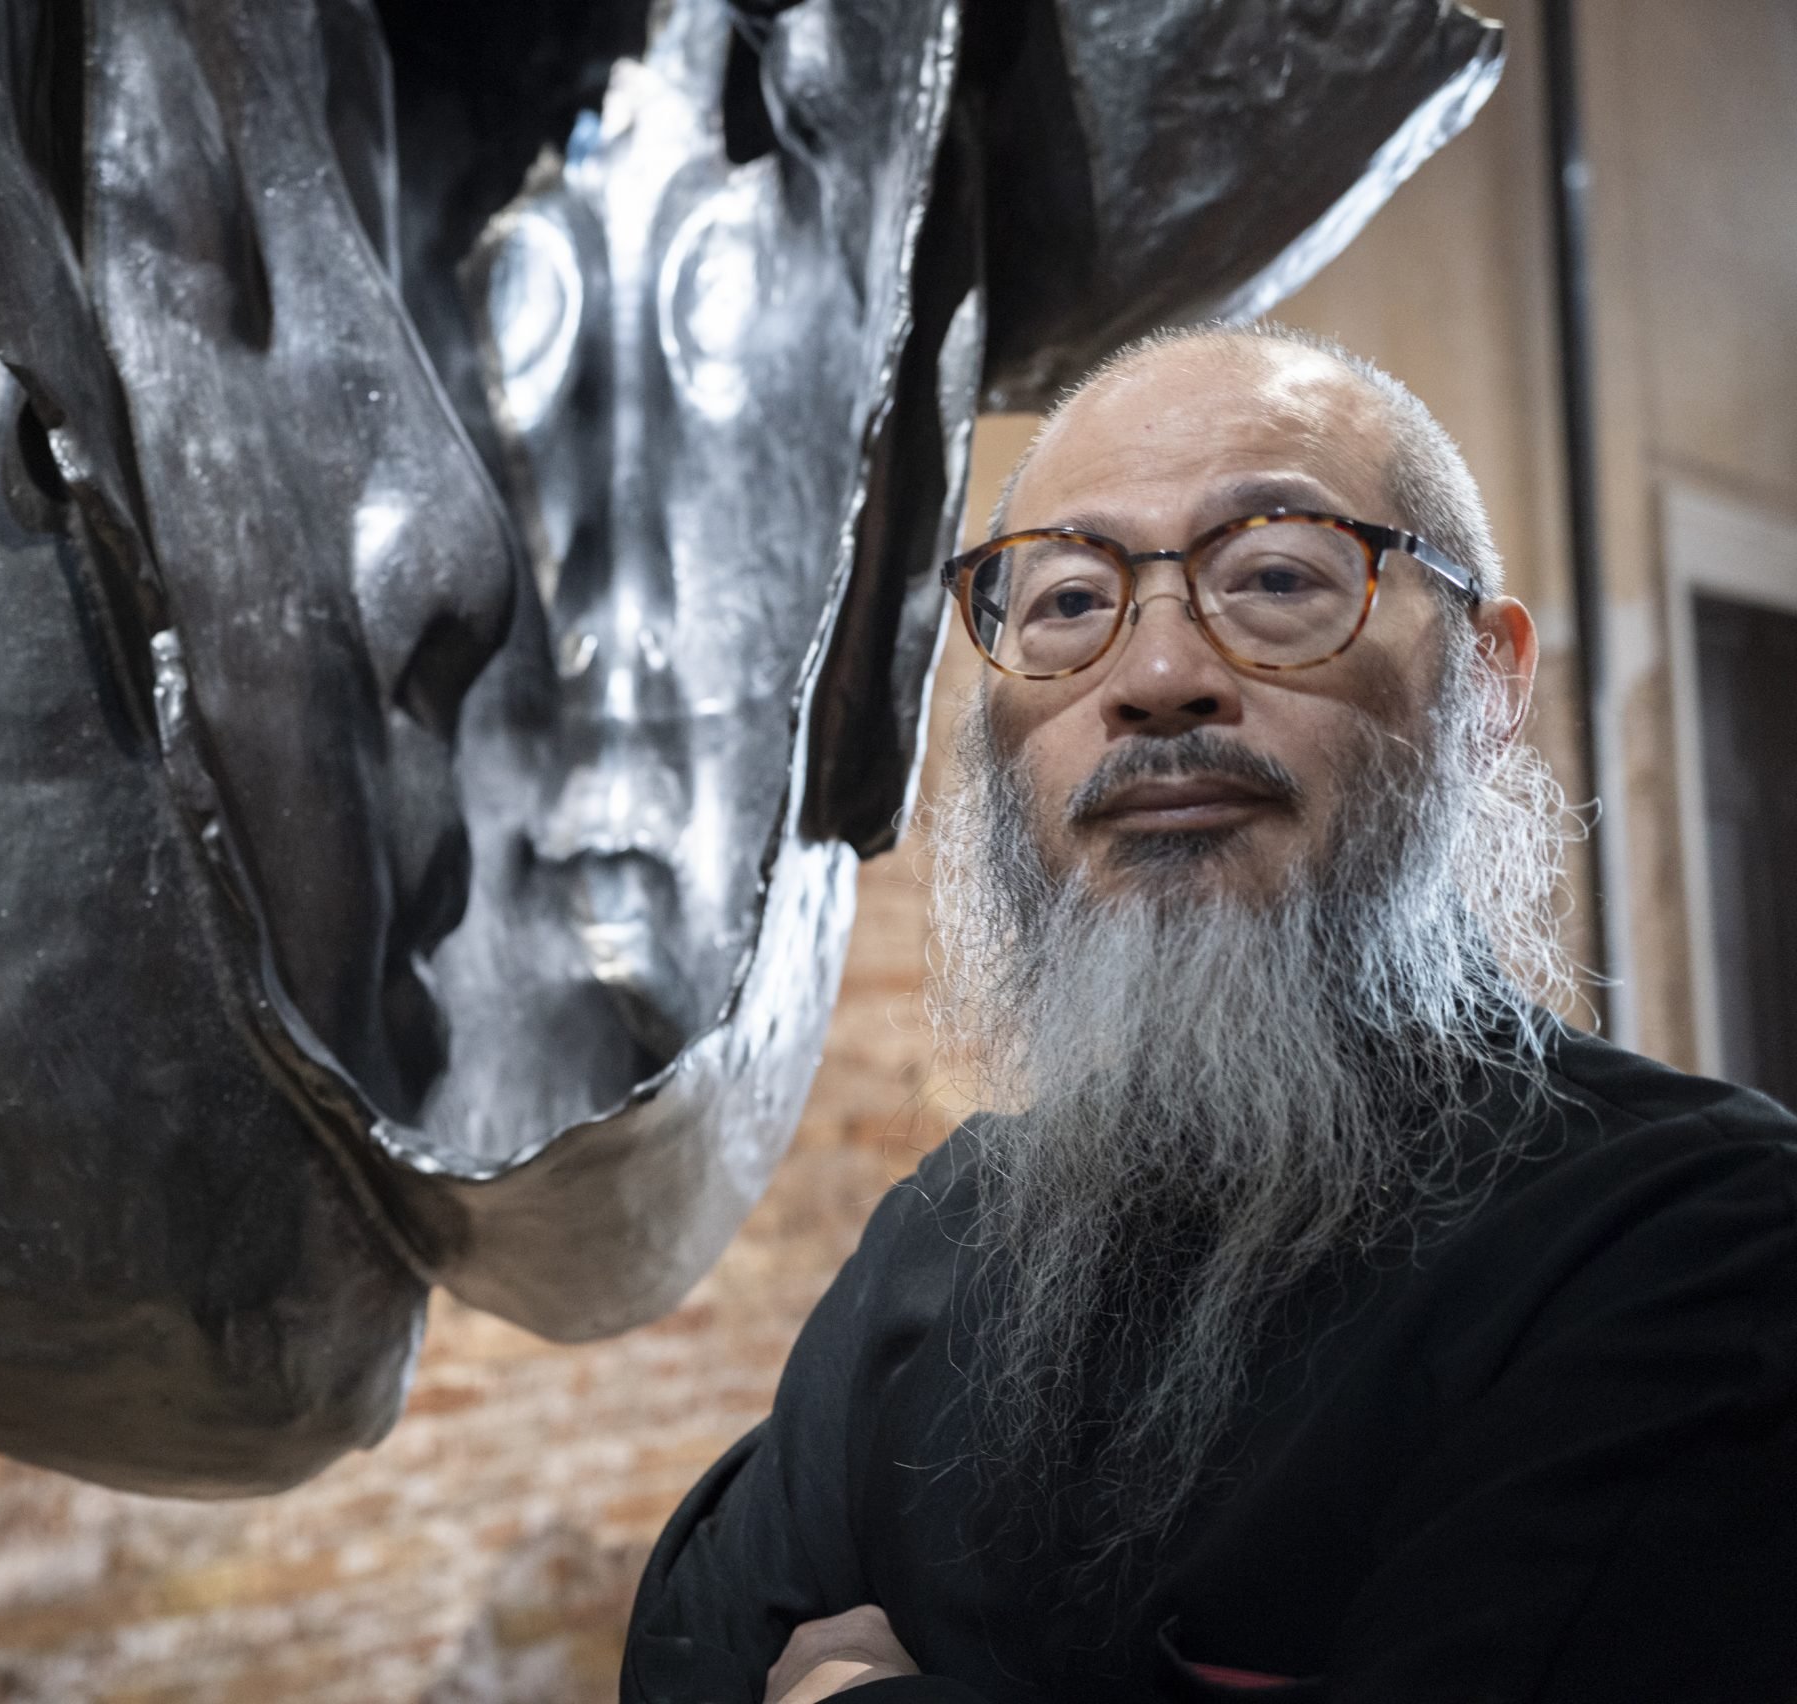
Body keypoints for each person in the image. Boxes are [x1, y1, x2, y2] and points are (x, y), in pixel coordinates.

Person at [621, 324, 1797, 1702]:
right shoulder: (939, 1233)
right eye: (1066, 602)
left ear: (1485, 683)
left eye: (1277, 576)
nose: (1157, 674)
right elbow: (687, 1661)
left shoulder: (1702, 1242)